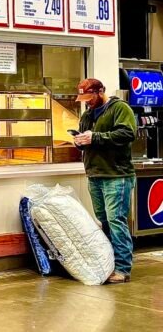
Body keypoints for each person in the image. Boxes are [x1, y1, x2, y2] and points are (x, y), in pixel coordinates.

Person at [72, 77, 137, 284]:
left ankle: (123, 269)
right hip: (95, 175)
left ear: (100, 92)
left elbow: (127, 133)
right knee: (105, 221)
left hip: (116, 176)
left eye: (89, 97)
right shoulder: (87, 115)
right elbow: (87, 139)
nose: (87, 102)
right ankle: (108, 264)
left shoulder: (120, 108)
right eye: (83, 98)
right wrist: (80, 141)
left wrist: (95, 137)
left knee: (117, 221)